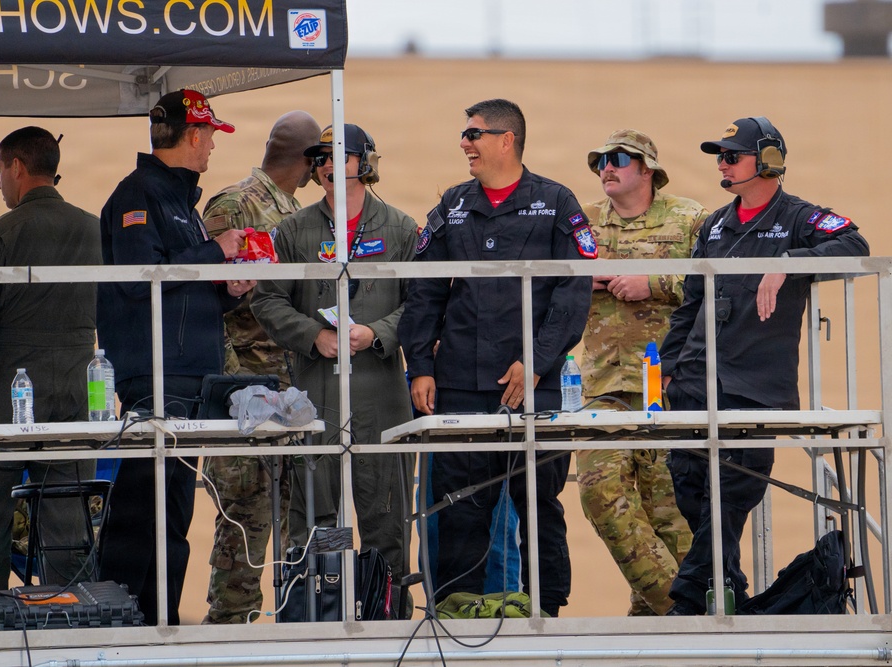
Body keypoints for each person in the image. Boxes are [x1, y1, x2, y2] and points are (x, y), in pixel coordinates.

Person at [660, 117, 870, 615]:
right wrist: (667, 366)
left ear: (769, 161)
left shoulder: (798, 217)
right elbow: (690, 304)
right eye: (719, 155)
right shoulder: (713, 224)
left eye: (732, 155)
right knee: (690, 486)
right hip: (693, 379)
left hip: (752, 387)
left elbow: (855, 246)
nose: (722, 163)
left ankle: (690, 599)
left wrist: (790, 260)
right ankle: (727, 583)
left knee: (734, 488)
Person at [397, 99, 594, 615]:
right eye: (464, 134)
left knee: (538, 503)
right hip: (460, 381)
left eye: (474, 134)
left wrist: (535, 361)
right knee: (461, 503)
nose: (465, 143)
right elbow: (424, 290)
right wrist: (419, 364)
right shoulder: (453, 205)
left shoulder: (555, 202)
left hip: (535, 381)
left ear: (507, 140)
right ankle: (460, 609)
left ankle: (545, 610)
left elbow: (573, 296)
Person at [95, 89, 250, 625]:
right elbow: (142, 282)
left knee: (173, 511)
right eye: (209, 136)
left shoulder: (179, 200)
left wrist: (230, 289)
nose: (212, 148)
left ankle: (158, 622)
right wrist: (216, 251)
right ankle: (122, 622)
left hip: (187, 378)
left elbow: (180, 287)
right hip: (158, 379)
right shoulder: (139, 194)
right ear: (191, 136)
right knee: (144, 509)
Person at [250, 123, 418, 614]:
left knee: (385, 521)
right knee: (320, 524)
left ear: (365, 161)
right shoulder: (295, 229)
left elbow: (423, 302)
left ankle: (388, 626)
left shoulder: (402, 228)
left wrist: (378, 332)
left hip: (381, 393)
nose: (327, 163)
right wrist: (313, 336)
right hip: (318, 391)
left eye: (340, 154)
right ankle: (319, 620)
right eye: (320, 156)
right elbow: (267, 298)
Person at [0, 126, 101, 630]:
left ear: (16, 168)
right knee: (68, 523)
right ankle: (70, 628)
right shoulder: (96, 231)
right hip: (78, 396)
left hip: (7, 404)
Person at [576, 129, 706, 616]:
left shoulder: (690, 218)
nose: (606, 167)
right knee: (600, 495)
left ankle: (655, 621)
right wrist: (575, 279)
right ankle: (685, 613)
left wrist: (652, 282)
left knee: (669, 515)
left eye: (618, 159)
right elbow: (543, 281)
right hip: (601, 386)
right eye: (600, 160)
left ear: (647, 169)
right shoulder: (581, 223)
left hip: (669, 385)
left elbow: (714, 282)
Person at [199, 110, 321, 624]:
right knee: (244, 518)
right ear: (311, 161)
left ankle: (298, 621)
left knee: (301, 516)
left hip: (293, 392)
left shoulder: (294, 211)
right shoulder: (235, 205)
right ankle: (230, 626)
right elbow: (210, 298)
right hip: (245, 393)